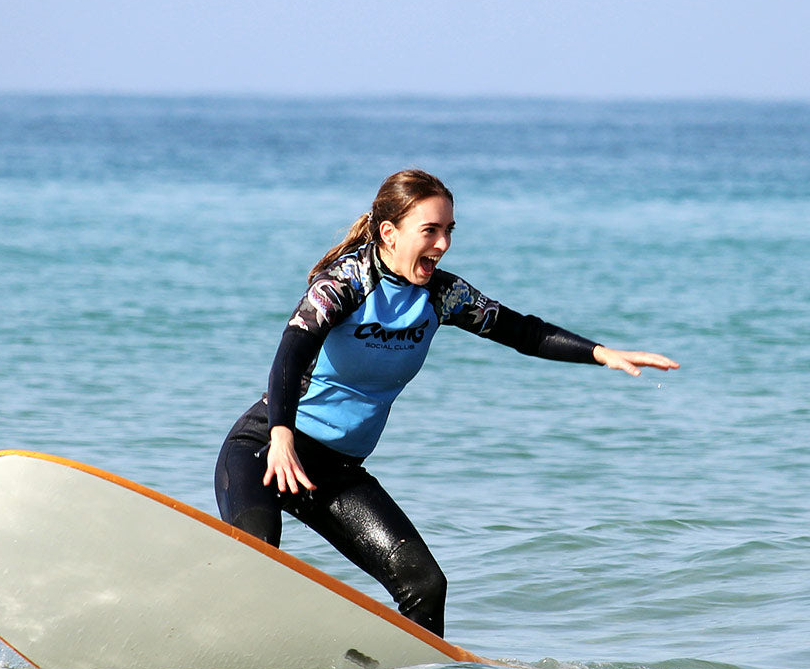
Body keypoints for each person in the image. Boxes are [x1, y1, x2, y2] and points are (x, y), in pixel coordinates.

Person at [214, 170, 678, 639]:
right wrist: (281, 436)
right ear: (388, 234)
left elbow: (522, 331)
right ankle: (219, 648)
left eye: (449, 230)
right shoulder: (345, 284)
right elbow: (289, 353)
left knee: (426, 586)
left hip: (335, 470)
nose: (443, 244)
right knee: (259, 557)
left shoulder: (442, 295)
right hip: (266, 451)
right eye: (430, 231)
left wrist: (602, 353)